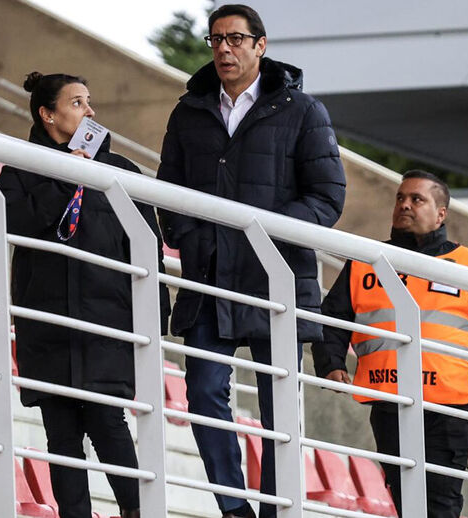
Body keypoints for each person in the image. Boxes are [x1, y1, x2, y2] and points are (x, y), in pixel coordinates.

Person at [155, 4, 346, 517]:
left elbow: (328, 198)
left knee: (277, 411)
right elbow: (167, 191)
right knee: (204, 394)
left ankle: (274, 512)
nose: (224, 48)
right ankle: (234, 509)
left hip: (276, 281)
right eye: (216, 39)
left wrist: (262, 234)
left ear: (261, 45)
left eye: (236, 39)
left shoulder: (303, 110)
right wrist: (189, 236)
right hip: (209, 278)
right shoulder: (189, 111)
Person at [0, 71, 170, 518]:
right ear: (47, 113)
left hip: (106, 320)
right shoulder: (21, 165)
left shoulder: (121, 172)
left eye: (89, 102)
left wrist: (157, 316)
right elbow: (10, 223)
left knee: (106, 419)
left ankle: (139, 510)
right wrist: (64, 175)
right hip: (47, 318)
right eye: (77, 103)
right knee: (61, 432)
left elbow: (148, 250)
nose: (90, 111)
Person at [312, 170, 468, 518]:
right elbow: (332, 319)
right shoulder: (366, 260)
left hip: (448, 407)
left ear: (441, 213)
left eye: (416, 199)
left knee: (441, 502)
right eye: (400, 198)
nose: (404, 205)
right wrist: (330, 364)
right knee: (407, 502)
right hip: (390, 402)